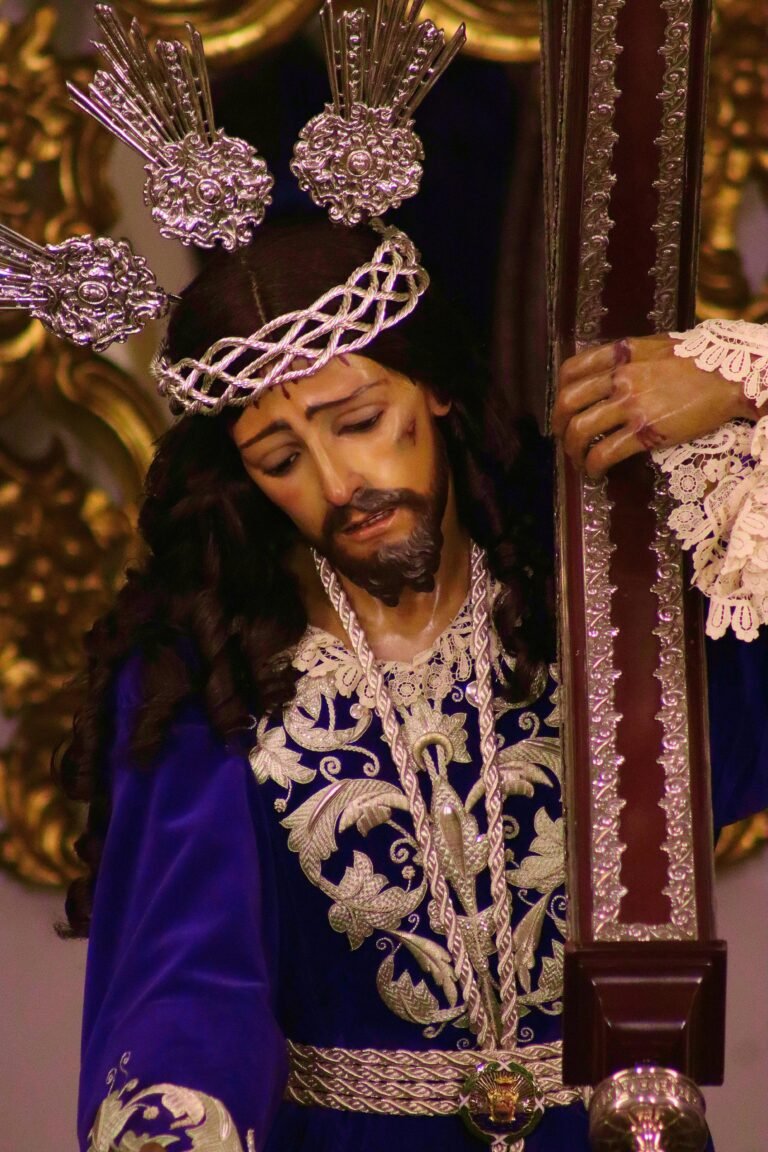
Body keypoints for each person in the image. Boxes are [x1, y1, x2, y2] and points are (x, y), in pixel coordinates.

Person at [57, 212, 768, 1152]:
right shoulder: (208, 673)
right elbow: (183, 979)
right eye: (280, 460)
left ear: (431, 388)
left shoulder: (594, 594)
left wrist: (741, 381)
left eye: (359, 422)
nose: (340, 480)